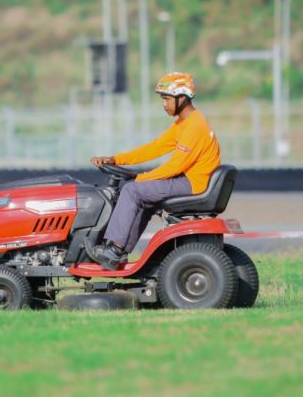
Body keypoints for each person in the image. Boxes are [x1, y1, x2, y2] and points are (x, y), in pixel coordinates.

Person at [86, 71, 221, 270]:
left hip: (193, 184)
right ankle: (119, 253)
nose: (164, 104)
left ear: (182, 98)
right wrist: (115, 159)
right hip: (191, 180)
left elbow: (175, 166)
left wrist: (141, 178)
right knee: (142, 196)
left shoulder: (194, 126)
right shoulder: (184, 123)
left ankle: (113, 250)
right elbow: (155, 148)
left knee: (131, 190)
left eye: (167, 99)